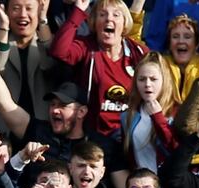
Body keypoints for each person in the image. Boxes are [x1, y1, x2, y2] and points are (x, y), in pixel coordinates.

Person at [50, 0, 147, 136]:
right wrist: (78, 12)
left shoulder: (138, 52)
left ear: (125, 23)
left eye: (116, 15)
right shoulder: (86, 46)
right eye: (102, 15)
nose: (109, 19)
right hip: (93, 135)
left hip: (129, 135)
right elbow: (59, 52)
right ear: (94, 22)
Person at [115, 52, 180, 188]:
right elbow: (127, 159)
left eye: (153, 79)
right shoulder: (128, 116)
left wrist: (158, 118)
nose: (147, 84)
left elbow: (176, 150)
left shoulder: (176, 112)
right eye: (142, 79)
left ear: (164, 81)